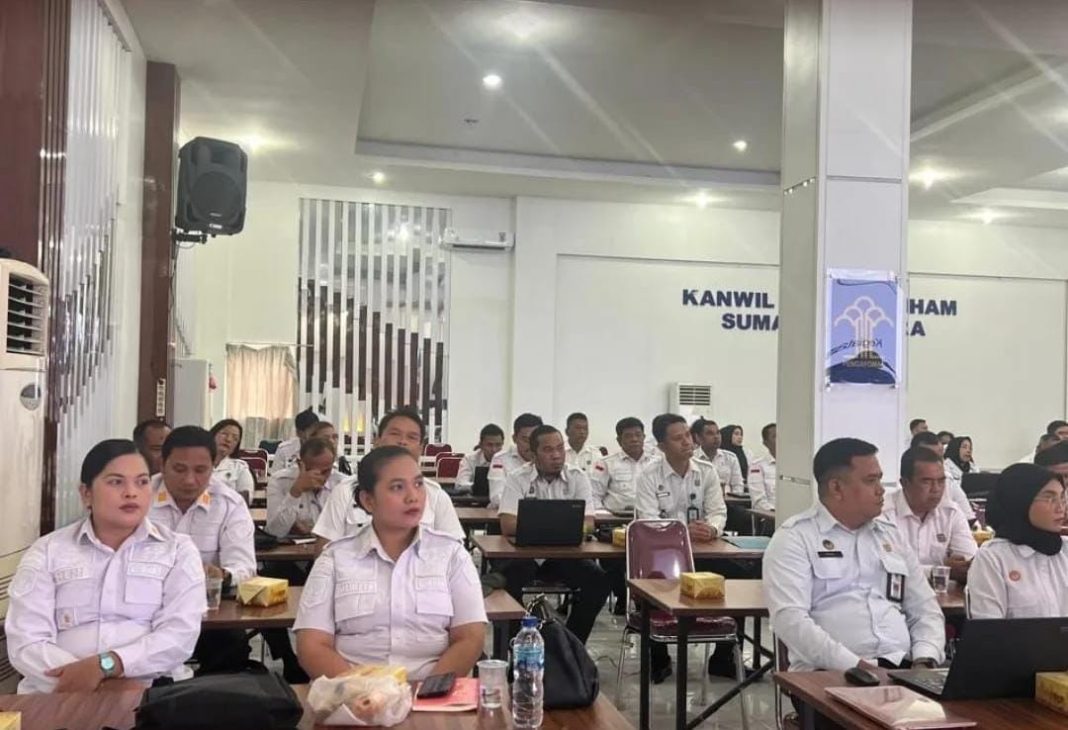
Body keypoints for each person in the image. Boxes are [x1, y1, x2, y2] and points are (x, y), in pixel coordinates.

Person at [6, 440, 205, 694]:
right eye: (116, 482)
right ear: (86, 493)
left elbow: (179, 637)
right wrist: (91, 681)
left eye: (142, 482)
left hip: (151, 693)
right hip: (56, 693)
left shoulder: (178, 550)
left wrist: (108, 666)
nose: (131, 492)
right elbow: (26, 642)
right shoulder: (48, 551)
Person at [295, 446, 487, 680]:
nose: (413, 496)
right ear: (368, 500)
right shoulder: (334, 559)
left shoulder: (452, 556)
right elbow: (312, 646)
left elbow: (470, 637)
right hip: (354, 698)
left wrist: (429, 694)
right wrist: (366, 695)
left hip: (435, 698)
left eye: (418, 484)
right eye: (397, 487)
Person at [764, 438, 945, 676]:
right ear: (836, 487)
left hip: (902, 667)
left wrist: (925, 660)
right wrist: (858, 667)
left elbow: (925, 608)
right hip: (828, 673)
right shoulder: (795, 538)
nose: (881, 490)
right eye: (871, 481)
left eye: (880, 479)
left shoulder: (890, 536)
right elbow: (790, 620)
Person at [149, 426, 257, 674]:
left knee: (233, 649)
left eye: (201, 470)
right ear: (162, 464)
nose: (190, 480)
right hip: (146, 610)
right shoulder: (141, 497)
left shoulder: (229, 504)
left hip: (206, 614)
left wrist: (222, 574)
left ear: (213, 467)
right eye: (179, 469)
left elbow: (246, 568)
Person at [635, 414, 727, 683]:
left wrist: (711, 529)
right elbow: (648, 521)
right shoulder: (649, 474)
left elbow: (718, 511)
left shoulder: (706, 470)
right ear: (662, 445)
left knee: (739, 574)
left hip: (703, 549)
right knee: (651, 583)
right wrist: (683, 531)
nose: (687, 441)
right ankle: (658, 656)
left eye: (688, 435)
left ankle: (722, 658)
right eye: (678, 438)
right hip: (661, 554)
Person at [498, 425, 610, 644]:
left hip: (565, 555)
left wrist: (537, 525)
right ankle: (518, 645)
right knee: (505, 584)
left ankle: (570, 645)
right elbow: (508, 524)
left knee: (599, 582)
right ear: (533, 454)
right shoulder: (517, 478)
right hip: (526, 555)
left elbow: (588, 523)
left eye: (560, 448)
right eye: (548, 450)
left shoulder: (577, 477)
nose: (557, 455)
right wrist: (560, 525)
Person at [313, 407, 464, 542]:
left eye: (411, 437)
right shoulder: (345, 491)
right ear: (377, 441)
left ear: (420, 449)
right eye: (395, 434)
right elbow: (324, 552)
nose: (402, 442)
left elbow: (455, 558)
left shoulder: (436, 496)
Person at [968, 463, 1068, 618]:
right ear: (1021, 500)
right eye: (1049, 498)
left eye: (1062, 498)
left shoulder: (1065, 550)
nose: (1061, 507)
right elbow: (990, 631)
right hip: (1015, 643)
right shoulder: (993, 558)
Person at [589, 417, 660, 614]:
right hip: (614, 521)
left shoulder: (658, 463)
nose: (634, 440)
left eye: (638, 435)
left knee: (650, 554)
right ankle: (622, 594)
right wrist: (605, 518)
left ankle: (645, 597)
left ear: (644, 437)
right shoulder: (605, 464)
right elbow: (594, 496)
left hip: (647, 521)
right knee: (611, 558)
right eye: (628, 436)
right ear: (619, 440)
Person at [883, 447, 976, 584]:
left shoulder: (951, 512)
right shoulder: (883, 513)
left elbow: (968, 562)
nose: (936, 489)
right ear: (905, 483)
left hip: (943, 599)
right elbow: (884, 568)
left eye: (941, 481)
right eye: (927, 482)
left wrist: (962, 568)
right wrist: (939, 571)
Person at [266, 437, 345, 538]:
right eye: (312, 470)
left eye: (325, 471)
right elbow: (274, 532)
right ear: (300, 464)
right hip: (291, 551)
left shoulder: (342, 484)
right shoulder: (280, 481)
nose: (319, 476)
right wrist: (295, 492)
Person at [912, 431, 975, 521]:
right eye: (930, 457)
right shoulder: (899, 489)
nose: (937, 462)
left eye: (940, 457)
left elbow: (968, 516)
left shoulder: (947, 479)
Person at [487, 413, 543, 509]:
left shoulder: (549, 459)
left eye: (535, 439)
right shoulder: (500, 459)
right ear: (514, 439)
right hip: (504, 517)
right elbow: (497, 498)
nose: (530, 445)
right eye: (525, 440)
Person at [691, 418, 744, 496]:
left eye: (718, 433)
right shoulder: (692, 458)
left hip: (728, 502)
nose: (716, 437)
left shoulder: (730, 458)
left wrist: (733, 498)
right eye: (710, 434)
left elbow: (738, 486)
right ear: (698, 438)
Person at [209, 419, 255, 503]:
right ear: (212, 435)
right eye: (224, 434)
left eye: (235, 438)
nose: (228, 439)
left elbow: (245, 499)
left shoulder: (240, 468)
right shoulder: (195, 463)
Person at [456, 423, 505, 490]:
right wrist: (477, 487)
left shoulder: (508, 459)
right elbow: (460, 483)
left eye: (498, 445)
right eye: (489, 445)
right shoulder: (469, 460)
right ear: (481, 445)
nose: (494, 449)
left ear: (503, 444)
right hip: (475, 499)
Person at [272, 408, 320, 475]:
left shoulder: (326, 448)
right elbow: (275, 477)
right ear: (298, 433)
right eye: (311, 434)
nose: (315, 438)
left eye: (316, 433)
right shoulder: (284, 450)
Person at [748, 423, 777, 513]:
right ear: (765, 443)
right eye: (775, 436)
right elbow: (759, 502)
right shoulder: (757, 466)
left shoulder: (794, 466)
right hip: (769, 517)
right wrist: (775, 513)